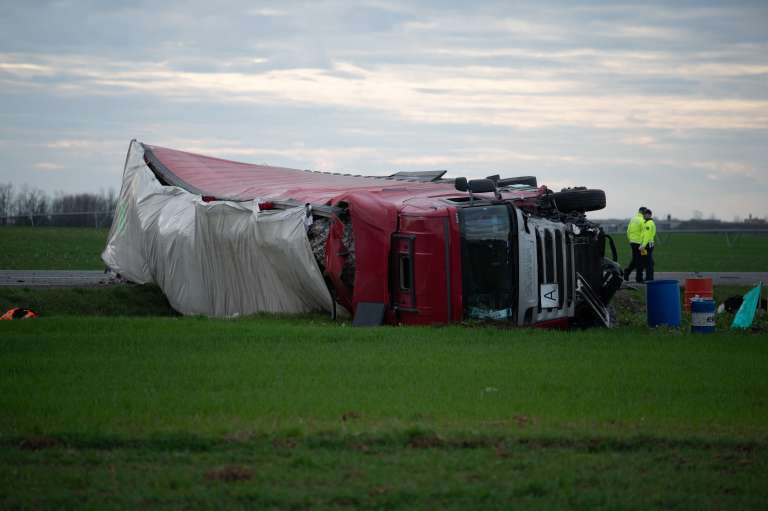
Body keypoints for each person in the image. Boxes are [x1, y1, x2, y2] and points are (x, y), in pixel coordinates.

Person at [623, 206, 647, 282]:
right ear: (643, 212)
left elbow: (628, 230)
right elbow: (644, 233)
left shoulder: (633, 219)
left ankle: (627, 272)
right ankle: (639, 278)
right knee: (641, 260)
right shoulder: (643, 220)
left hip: (633, 243)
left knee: (635, 259)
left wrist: (630, 239)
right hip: (640, 244)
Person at [638, 209, 656, 282]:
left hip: (647, 245)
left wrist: (643, 245)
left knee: (648, 262)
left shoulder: (649, 223)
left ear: (649, 215)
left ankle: (649, 278)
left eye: (645, 214)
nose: (644, 216)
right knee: (647, 261)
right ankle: (649, 277)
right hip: (646, 245)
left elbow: (647, 236)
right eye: (643, 214)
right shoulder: (647, 222)